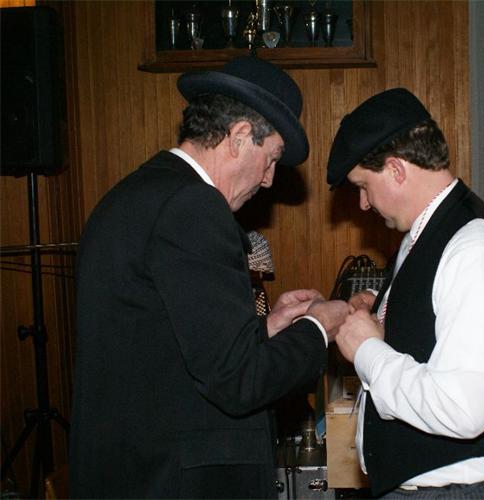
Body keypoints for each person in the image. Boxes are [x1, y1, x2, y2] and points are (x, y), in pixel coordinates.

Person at [69, 57, 349, 498]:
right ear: (239, 137)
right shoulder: (194, 207)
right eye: (271, 158)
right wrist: (319, 328)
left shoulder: (134, 194)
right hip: (177, 483)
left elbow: (166, 346)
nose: (269, 180)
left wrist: (267, 328)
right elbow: (238, 382)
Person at [326, 88, 484, 498]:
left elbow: (464, 408)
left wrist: (367, 350)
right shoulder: (425, 232)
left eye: (363, 186)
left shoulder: (475, 250)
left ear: (396, 169)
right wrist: (385, 310)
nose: (363, 204)